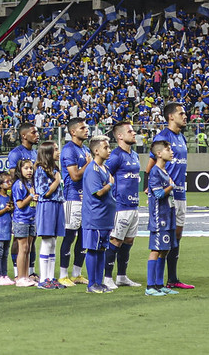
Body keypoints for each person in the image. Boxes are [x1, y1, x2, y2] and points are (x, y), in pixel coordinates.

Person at [145, 102, 194, 289]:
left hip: (180, 193)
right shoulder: (162, 137)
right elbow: (150, 167)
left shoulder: (181, 137)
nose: (185, 116)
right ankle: (160, 281)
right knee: (166, 236)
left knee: (177, 235)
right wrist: (151, 187)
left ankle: (172, 279)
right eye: (181, 113)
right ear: (171, 116)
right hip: (166, 195)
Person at [103, 121, 142, 289]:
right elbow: (104, 175)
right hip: (120, 206)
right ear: (119, 136)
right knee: (115, 241)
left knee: (128, 241)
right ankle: (106, 277)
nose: (134, 133)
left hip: (133, 206)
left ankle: (122, 276)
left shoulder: (134, 155)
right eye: (130, 131)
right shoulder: (115, 156)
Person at [58, 118, 91, 287]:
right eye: (82, 127)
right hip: (72, 197)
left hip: (85, 199)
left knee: (84, 238)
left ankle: (77, 273)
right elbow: (75, 175)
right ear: (73, 132)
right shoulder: (68, 150)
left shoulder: (85, 149)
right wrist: (88, 164)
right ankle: (63, 274)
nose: (86, 130)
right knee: (69, 236)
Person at [81, 135, 115, 293]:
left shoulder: (105, 168)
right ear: (96, 151)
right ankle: (91, 284)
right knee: (93, 249)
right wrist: (109, 184)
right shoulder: (92, 169)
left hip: (105, 217)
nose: (109, 150)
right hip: (94, 217)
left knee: (102, 250)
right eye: (106, 147)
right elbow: (99, 193)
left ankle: (99, 282)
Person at [145, 141, 178, 296]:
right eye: (168, 150)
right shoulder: (155, 172)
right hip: (159, 218)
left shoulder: (164, 171)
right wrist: (171, 186)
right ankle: (150, 286)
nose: (171, 152)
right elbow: (158, 194)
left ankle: (159, 284)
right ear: (159, 154)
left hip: (168, 216)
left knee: (165, 250)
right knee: (156, 250)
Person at [6, 122, 39, 278]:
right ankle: (17, 271)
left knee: (32, 238)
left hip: (33, 201)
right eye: (33, 132)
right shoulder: (16, 153)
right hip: (21, 201)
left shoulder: (35, 153)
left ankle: (30, 271)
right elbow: (14, 178)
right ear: (24, 135)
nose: (37, 134)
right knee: (18, 238)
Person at [33, 140, 65, 289]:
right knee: (47, 242)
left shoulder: (55, 168)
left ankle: (51, 277)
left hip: (57, 204)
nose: (58, 152)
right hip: (47, 206)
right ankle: (44, 279)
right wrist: (57, 181)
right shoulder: (40, 169)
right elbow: (44, 192)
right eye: (56, 149)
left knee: (53, 242)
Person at [11, 158, 36, 287]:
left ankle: (26, 276)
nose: (29, 171)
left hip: (31, 217)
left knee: (28, 248)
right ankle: (20, 277)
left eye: (31, 168)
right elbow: (20, 204)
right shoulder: (19, 184)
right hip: (21, 219)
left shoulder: (31, 183)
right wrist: (31, 197)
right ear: (20, 170)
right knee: (23, 248)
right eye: (26, 168)